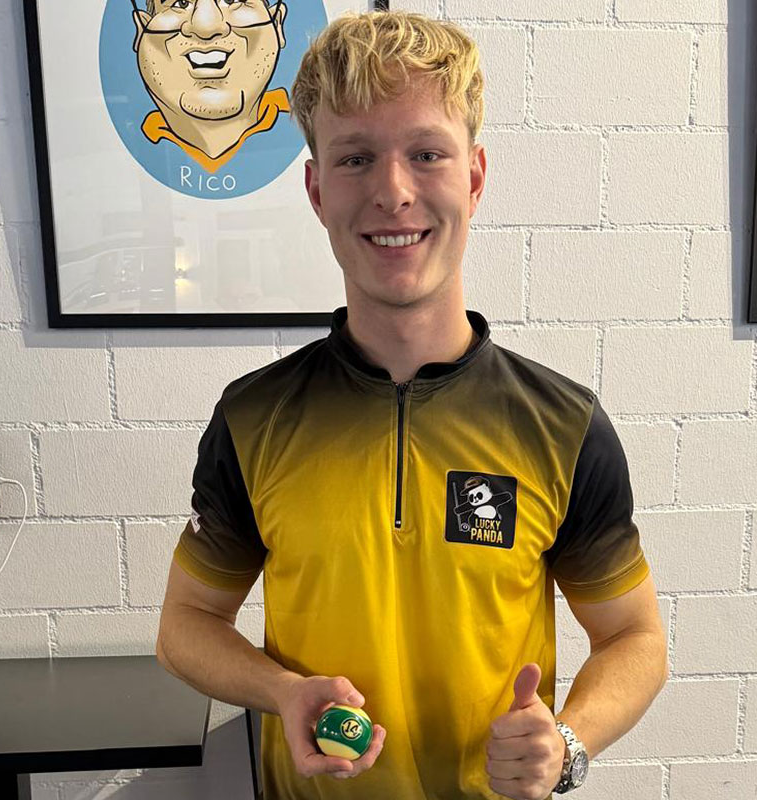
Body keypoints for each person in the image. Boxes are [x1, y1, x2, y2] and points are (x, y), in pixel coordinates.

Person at [156, 10, 669, 800]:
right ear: (317, 190)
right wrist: (281, 692)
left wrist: (568, 741)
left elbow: (634, 636)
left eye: (426, 154)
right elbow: (184, 624)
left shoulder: (562, 426)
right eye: (356, 158)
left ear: (474, 177)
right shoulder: (254, 418)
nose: (393, 192)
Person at [131, 0, 289, 173]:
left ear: (276, 24)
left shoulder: (301, 127)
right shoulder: (131, 149)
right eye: (181, 3)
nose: (206, 27)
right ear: (142, 29)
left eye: (232, 0)